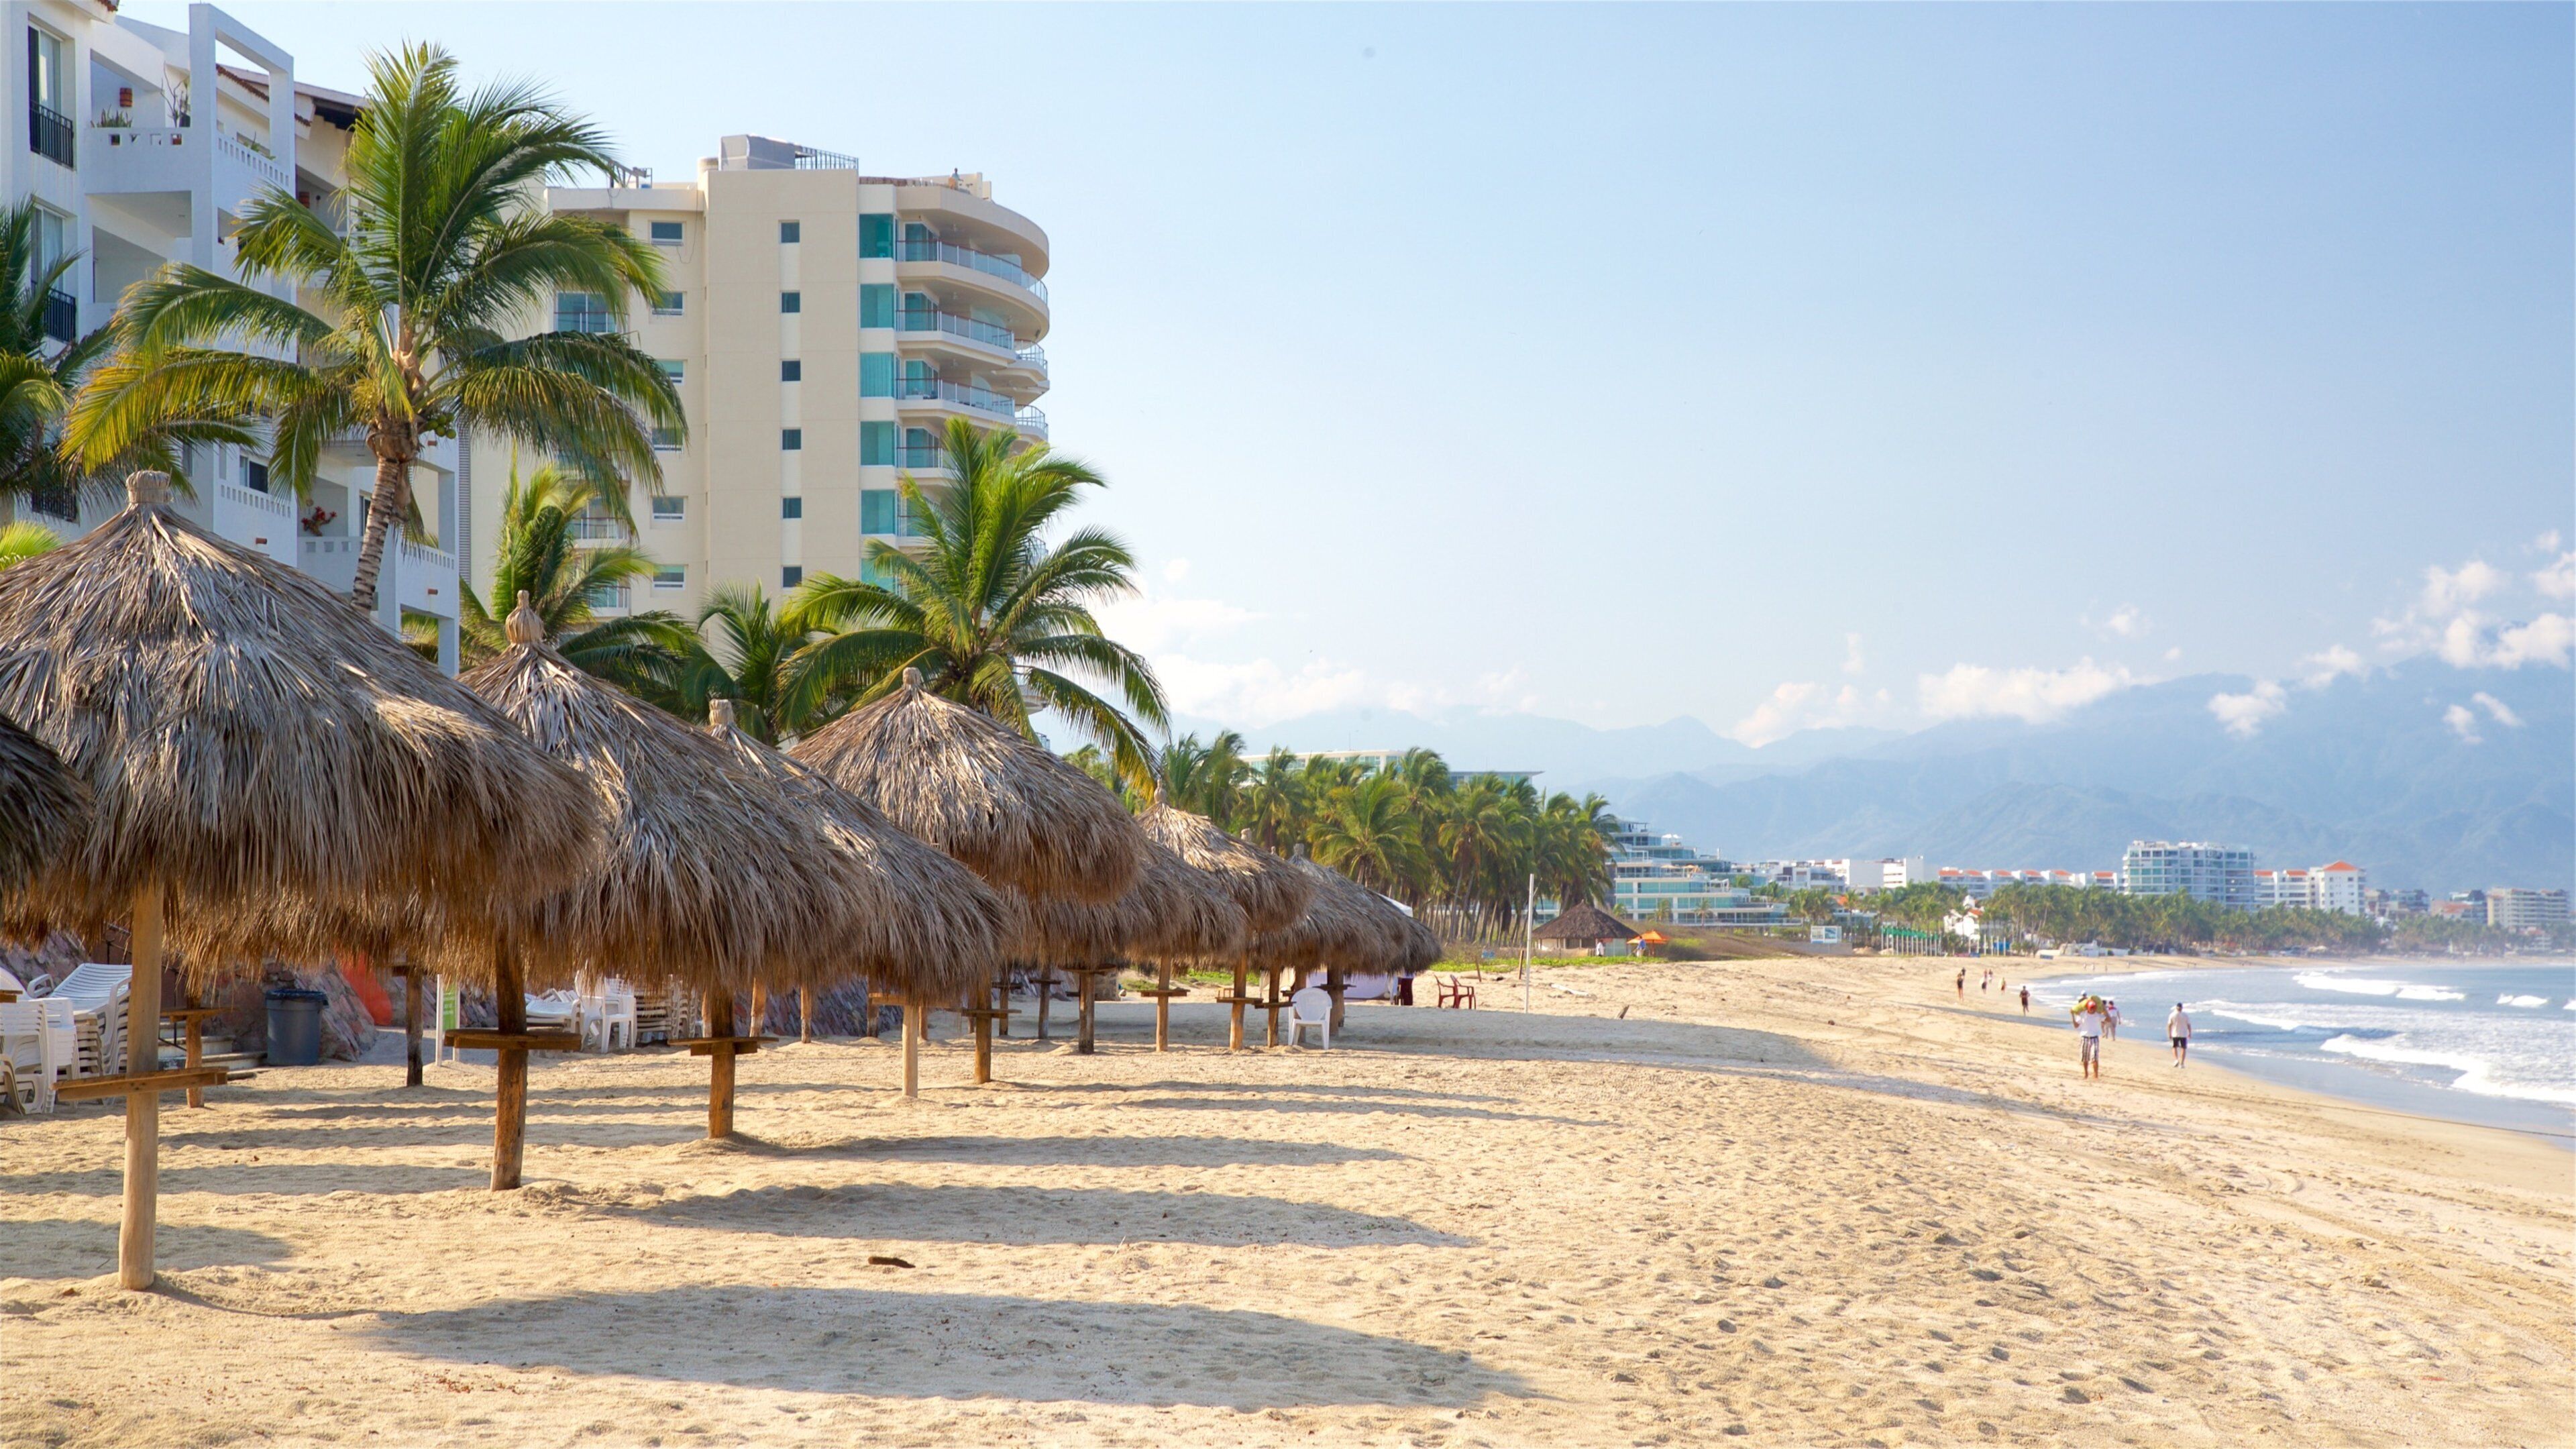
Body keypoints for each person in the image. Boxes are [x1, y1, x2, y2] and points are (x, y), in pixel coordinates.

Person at [2072, 996, 2106, 1079]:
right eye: (2091, 1008)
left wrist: (2105, 1010)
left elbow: (2108, 1020)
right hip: (2085, 1038)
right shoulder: (2083, 1015)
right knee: (2085, 1057)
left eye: (2094, 1008)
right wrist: (2072, 1016)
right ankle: (2086, 1074)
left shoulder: (2098, 1015)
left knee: (2095, 1057)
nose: (2093, 1009)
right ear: (2088, 1008)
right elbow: (2076, 1026)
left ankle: (2096, 1075)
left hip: (2095, 1038)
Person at [2167, 1002, 2192, 1067]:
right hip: (2183, 1034)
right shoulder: (2185, 1015)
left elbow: (2169, 1025)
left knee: (2174, 1047)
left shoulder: (2172, 1015)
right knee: (2183, 1048)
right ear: (2182, 1008)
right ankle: (2182, 1063)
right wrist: (2190, 1033)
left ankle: (2176, 1059)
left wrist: (2169, 1034)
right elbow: (2189, 1025)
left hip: (2175, 1034)